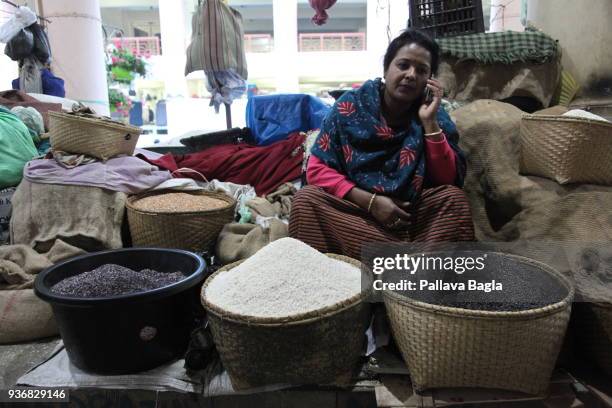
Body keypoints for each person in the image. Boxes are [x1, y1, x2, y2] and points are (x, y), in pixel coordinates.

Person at [289, 29, 475, 259]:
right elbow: (316, 170)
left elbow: (446, 180)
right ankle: (398, 270)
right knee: (306, 200)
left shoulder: (434, 116)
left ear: (429, 80)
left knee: (453, 200)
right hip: (356, 215)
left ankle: (407, 277)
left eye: (421, 70)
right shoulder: (351, 107)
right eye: (403, 65)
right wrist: (371, 202)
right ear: (386, 69)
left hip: (409, 218)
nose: (410, 75)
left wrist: (429, 124)